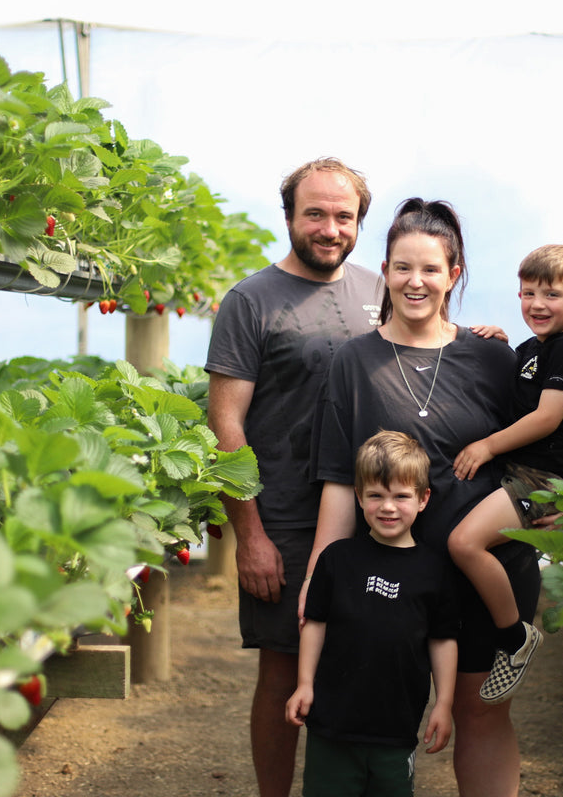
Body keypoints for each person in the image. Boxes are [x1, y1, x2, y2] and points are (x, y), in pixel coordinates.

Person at [307, 198, 538, 797]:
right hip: (390, 583)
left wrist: (554, 515)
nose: (416, 282)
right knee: (372, 722)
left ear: (453, 275)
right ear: (384, 270)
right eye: (403, 268)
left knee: (482, 714)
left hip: (491, 569)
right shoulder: (353, 361)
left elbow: (540, 450)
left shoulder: (492, 357)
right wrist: (318, 578)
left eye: (431, 269)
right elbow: (338, 479)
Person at [205, 157, 380, 797]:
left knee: (360, 664)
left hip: (371, 517)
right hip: (283, 518)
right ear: (289, 218)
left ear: (359, 221)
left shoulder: (377, 289)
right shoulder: (251, 301)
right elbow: (225, 425)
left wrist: (480, 336)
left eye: (344, 215)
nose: (329, 228)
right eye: (316, 213)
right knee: (282, 673)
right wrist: (249, 535)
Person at [447, 243, 563, 705]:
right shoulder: (535, 347)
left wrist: (486, 445)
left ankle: (515, 636)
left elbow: (546, 418)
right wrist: (501, 343)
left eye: (551, 295)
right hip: (521, 473)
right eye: (527, 292)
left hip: (542, 479)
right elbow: (522, 388)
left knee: (463, 542)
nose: (536, 304)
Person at [286, 430, 459, 797]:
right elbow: (314, 623)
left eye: (401, 496)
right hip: (332, 725)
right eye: (376, 495)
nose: (388, 507)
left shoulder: (435, 570)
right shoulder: (336, 560)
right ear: (358, 496)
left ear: (423, 498)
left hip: (395, 730)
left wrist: (443, 703)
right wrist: (304, 683)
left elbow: (443, 640)